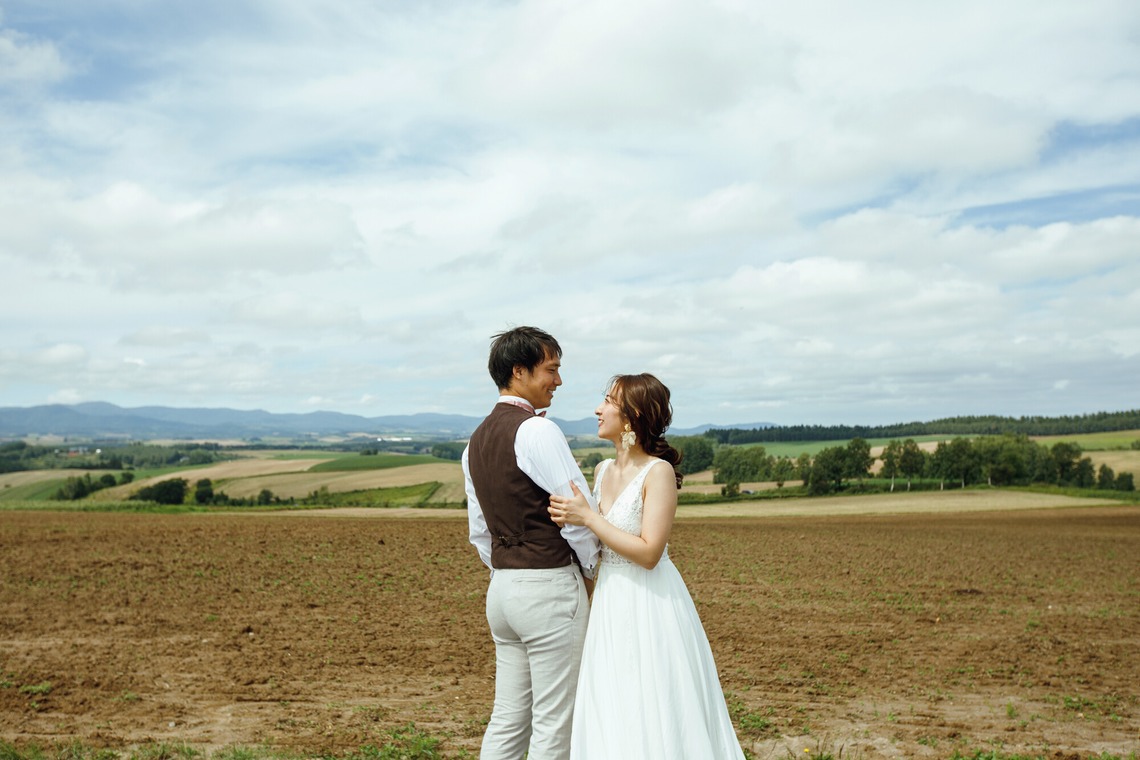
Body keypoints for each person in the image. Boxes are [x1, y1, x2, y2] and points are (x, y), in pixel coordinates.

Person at [549, 373, 747, 759]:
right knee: (614, 701)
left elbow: (649, 551)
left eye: (607, 401)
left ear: (631, 416)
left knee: (654, 703)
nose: (597, 408)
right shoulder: (602, 470)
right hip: (610, 601)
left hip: (650, 602)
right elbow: (598, 542)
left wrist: (588, 518)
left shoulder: (659, 473)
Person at [462, 326, 601, 760]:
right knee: (554, 724)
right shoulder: (539, 432)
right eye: (552, 370)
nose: (558, 381)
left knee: (507, 717)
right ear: (519, 372)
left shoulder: (474, 443)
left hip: (502, 592)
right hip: (548, 590)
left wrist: (508, 569)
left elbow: (479, 531)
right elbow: (579, 513)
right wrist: (591, 570)